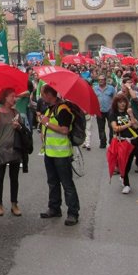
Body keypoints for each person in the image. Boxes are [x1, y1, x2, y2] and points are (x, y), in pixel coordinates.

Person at [38, 85, 80, 226]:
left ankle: (73, 213)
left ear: (50, 94)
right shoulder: (50, 109)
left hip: (62, 153)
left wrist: (47, 123)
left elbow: (64, 130)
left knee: (67, 184)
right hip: (49, 153)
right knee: (52, 183)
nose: (41, 97)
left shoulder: (63, 109)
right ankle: (54, 208)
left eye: (43, 94)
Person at [0, 88, 23, 217]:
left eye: (15, 96)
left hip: (14, 149)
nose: (14, 99)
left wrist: (18, 126)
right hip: (0, 149)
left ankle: (14, 203)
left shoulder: (16, 112)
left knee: (14, 178)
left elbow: (22, 130)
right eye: (12, 96)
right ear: (5, 98)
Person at [108, 93, 138, 194]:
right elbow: (115, 128)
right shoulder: (113, 114)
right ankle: (126, 184)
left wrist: (131, 115)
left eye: (124, 102)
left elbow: (136, 126)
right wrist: (128, 124)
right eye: (120, 102)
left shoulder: (128, 112)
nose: (122, 104)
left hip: (131, 141)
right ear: (116, 103)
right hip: (121, 141)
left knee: (128, 164)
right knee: (123, 163)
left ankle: (123, 177)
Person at [93, 74, 116, 148]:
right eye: (99, 80)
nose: (100, 81)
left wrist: (114, 108)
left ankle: (112, 142)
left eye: (102, 80)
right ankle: (103, 142)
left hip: (110, 110)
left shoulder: (111, 88)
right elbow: (93, 99)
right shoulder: (95, 88)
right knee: (101, 128)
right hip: (99, 111)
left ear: (105, 80)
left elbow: (115, 98)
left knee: (111, 127)